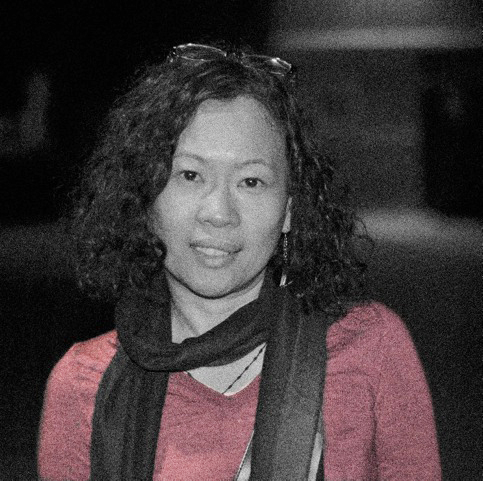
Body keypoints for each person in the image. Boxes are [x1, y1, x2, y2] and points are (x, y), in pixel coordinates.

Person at [37, 42, 441, 481]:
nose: (219, 213)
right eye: (190, 175)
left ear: (288, 210)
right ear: (146, 197)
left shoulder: (370, 349)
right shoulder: (83, 384)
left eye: (251, 181)